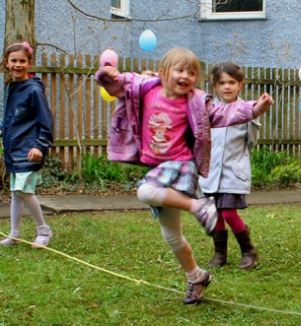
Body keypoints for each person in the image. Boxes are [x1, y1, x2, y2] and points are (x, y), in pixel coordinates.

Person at [95, 48, 273, 305]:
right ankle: (196, 277)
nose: (186, 76)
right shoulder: (144, 88)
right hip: (159, 170)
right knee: (172, 235)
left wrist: (255, 109)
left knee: (144, 191)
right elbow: (115, 85)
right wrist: (107, 73)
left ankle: (198, 206)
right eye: (179, 70)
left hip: (180, 166)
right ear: (163, 73)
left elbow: (225, 113)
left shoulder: (196, 101)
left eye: (192, 72)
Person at [199, 62, 261, 270]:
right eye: (222, 83)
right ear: (215, 86)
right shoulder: (207, 111)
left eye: (232, 82)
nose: (227, 87)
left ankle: (248, 251)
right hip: (210, 172)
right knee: (214, 214)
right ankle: (220, 254)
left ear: (240, 85)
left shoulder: (246, 112)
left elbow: (251, 142)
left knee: (228, 213)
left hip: (233, 172)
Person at [0, 42, 54, 248]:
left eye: (22, 61)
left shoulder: (33, 91)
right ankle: (14, 233)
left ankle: (43, 230)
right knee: (16, 192)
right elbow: (12, 117)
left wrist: (40, 146)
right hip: (14, 150)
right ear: (7, 63)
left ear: (30, 63)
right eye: (13, 60)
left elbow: (46, 121)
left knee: (23, 190)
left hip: (30, 150)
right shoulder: (11, 88)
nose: (18, 64)